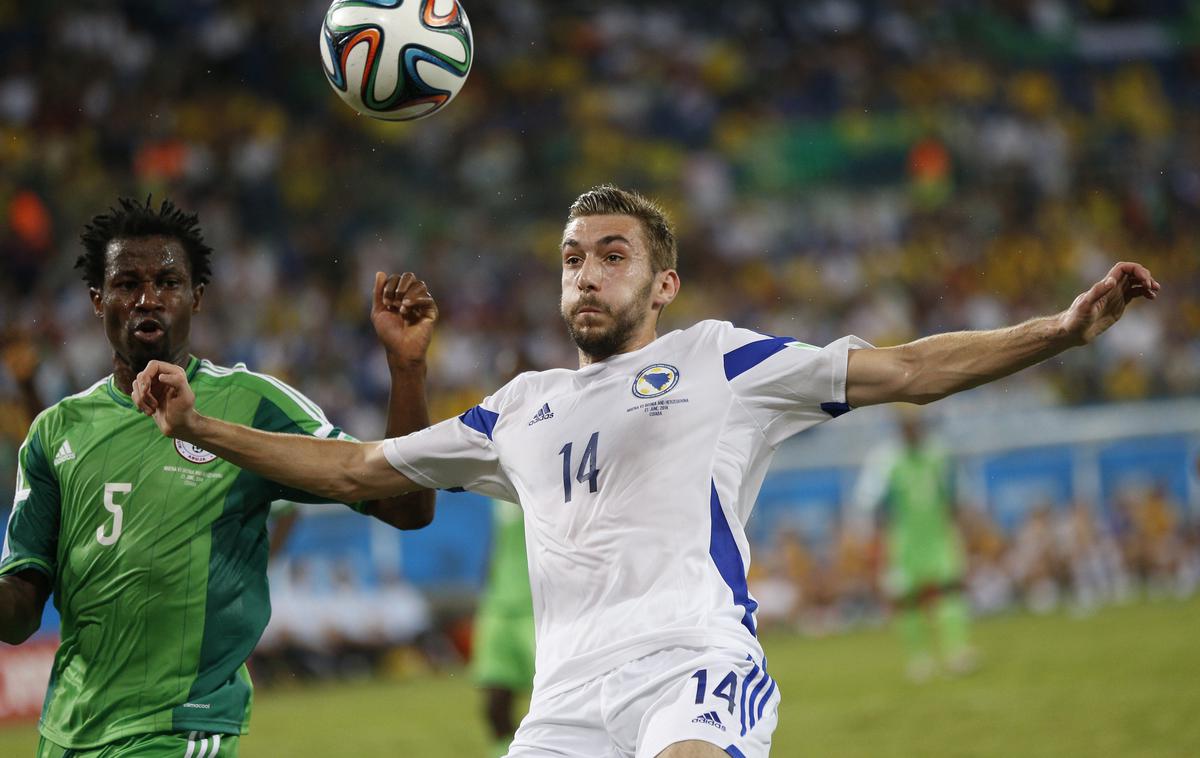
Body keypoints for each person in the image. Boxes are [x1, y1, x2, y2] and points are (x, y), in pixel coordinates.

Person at [131, 185, 1160, 757]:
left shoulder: (722, 358)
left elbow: (909, 369)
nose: (587, 271)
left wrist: (1062, 330)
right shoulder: (520, 405)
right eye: (574, 256)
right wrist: (200, 424)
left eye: (612, 254)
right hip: (564, 700)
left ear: (661, 280)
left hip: (693, 664)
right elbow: (359, 467)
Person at [0, 196, 438, 758]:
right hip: (64, 734)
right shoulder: (55, 432)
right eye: (126, 283)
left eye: (167, 282)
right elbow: (18, 616)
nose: (147, 299)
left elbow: (407, 507)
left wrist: (406, 369)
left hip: (181, 729)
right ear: (96, 300)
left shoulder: (252, 404)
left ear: (196, 298)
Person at [854, 408, 974, 681]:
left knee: (949, 590)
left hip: (938, 535)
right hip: (902, 542)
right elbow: (869, 502)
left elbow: (956, 496)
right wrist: (877, 543)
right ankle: (920, 659)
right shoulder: (884, 460)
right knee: (908, 600)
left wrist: (958, 530)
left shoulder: (940, 454)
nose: (911, 427)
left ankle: (956, 651)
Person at [473, 499, 536, 758]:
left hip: (537, 607)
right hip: (498, 605)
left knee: (559, 695)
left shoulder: (545, 478)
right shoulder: (494, 488)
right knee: (495, 702)